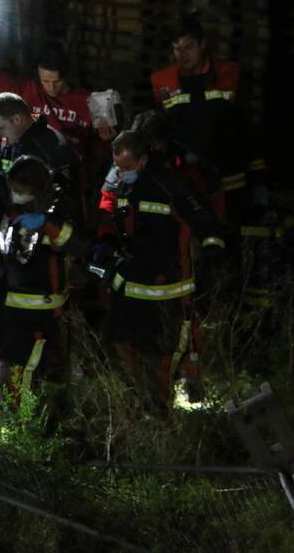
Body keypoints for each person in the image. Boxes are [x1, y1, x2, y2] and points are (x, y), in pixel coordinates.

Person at [91, 131, 226, 414]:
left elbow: (205, 220)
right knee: (119, 339)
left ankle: (162, 409)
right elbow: (114, 221)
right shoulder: (122, 184)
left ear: (143, 159)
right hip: (131, 284)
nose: (121, 172)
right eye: (118, 166)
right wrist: (106, 249)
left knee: (164, 353)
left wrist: (212, 249)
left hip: (169, 287)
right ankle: (139, 404)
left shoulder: (171, 185)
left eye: (127, 167)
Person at [0, 156, 86, 404]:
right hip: (10, 306)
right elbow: (5, 254)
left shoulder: (57, 212)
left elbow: (81, 247)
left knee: (34, 372)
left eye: (20, 191)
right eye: (13, 190)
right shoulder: (13, 212)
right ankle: (17, 422)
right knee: (7, 366)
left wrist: (47, 224)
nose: (15, 195)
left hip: (41, 309)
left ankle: (30, 425)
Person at [150, 15, 266, 227]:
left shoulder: (229, 74)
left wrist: (257, 175)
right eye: (177, 48)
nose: (182, 55)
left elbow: (247, 125)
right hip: (187, 176)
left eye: (189, 47)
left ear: (203, 44)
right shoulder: (163, 81)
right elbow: (161, 126)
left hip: (229, 174)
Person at [0, 25, 114, 171]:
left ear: (66, 76)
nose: (51, 88)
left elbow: (95, 152)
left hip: (70, 176)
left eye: (57, 82)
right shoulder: (28, 90)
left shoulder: (88, 101)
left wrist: (104, 141)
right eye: (45, 81)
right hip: (31, 171)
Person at [0, 92, 83, 224]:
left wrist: (43, 223)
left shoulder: (52, 147)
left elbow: (67, 199)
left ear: (18, 119)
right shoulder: (10, 141)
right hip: (15, 223)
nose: (0, 135)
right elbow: (2, 182)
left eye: (1, 128)